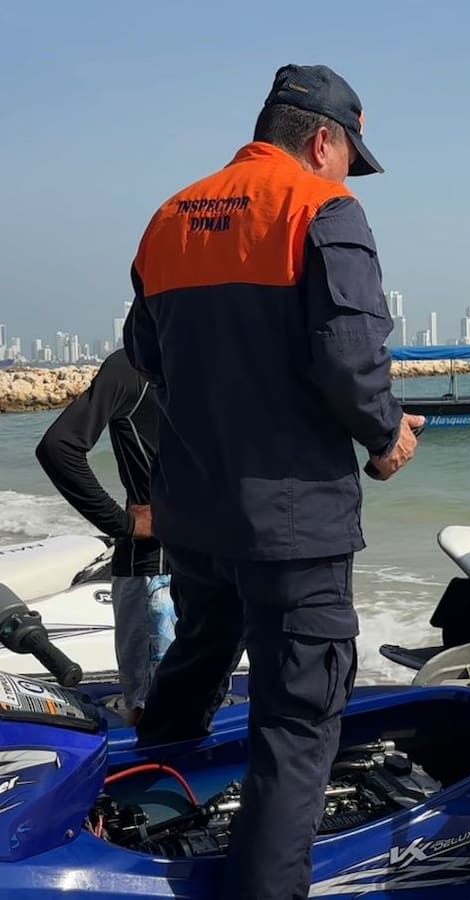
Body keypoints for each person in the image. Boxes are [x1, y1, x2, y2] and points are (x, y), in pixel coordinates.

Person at [122, 64, 424, 900]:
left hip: (196, 514)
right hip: (294, 527)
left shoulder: (168, 218)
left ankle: (140, 839)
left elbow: (146, 356)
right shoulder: (321, 210)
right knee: (294, 732)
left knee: (192, 673)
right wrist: (389, 435)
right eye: (346, 157)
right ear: (321, 139)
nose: (346, 175)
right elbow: (350, 361)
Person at [34, 347, 175, 724]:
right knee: (153, 711)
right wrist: (123, 523)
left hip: (210, 570)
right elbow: (59, 447)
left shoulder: (204, 358)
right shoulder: (134, 364)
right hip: (153, 574)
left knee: (195, 704)